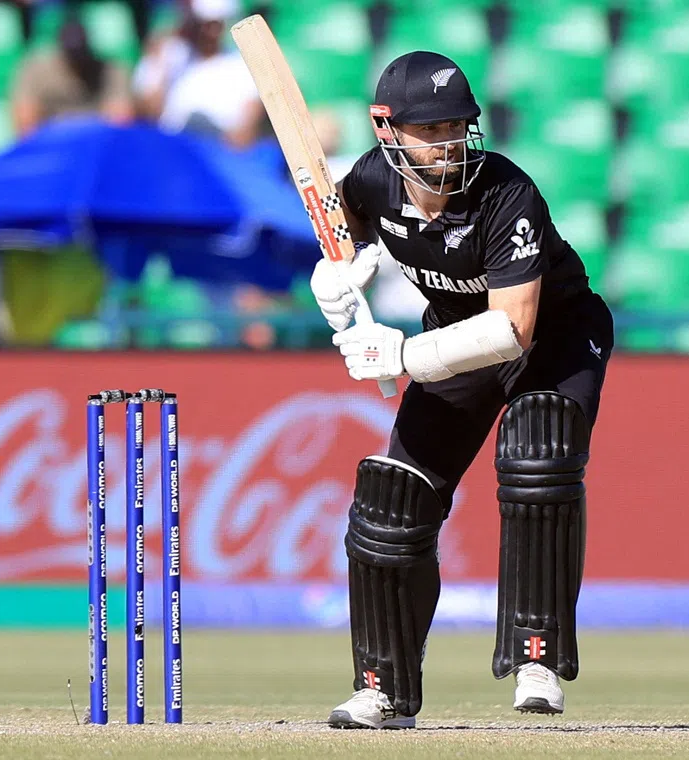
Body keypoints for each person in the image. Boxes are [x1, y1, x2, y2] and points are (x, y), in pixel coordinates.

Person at [308, 51, 615, 729]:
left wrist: (405, 353)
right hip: (452, 334)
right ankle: (383, 687)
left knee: (539, 445)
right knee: (392, 498)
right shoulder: (370, 184)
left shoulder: (509, 195)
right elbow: (343, 243)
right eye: (431, 128)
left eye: (458, 124)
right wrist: (334, 286)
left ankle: (537, 655)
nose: (449, 142)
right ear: (387, 131)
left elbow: (514, 328)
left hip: (554, 338)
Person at [136, 0, 264, 147]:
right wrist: (162, 60)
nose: (208, 31)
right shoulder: (171, 55)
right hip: (170, 151)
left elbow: (244, 135)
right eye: (202, 23)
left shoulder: (242, 64)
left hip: (215, 156)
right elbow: (147, 114)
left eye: (214, 24)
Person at [10, 16, 134, 136]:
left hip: (98, 144)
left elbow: (121, 120)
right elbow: (26, 122)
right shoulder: (35, 69)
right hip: (53, 144)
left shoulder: (110, 71)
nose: (75, 60)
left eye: (79, 51)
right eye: (71, 53)